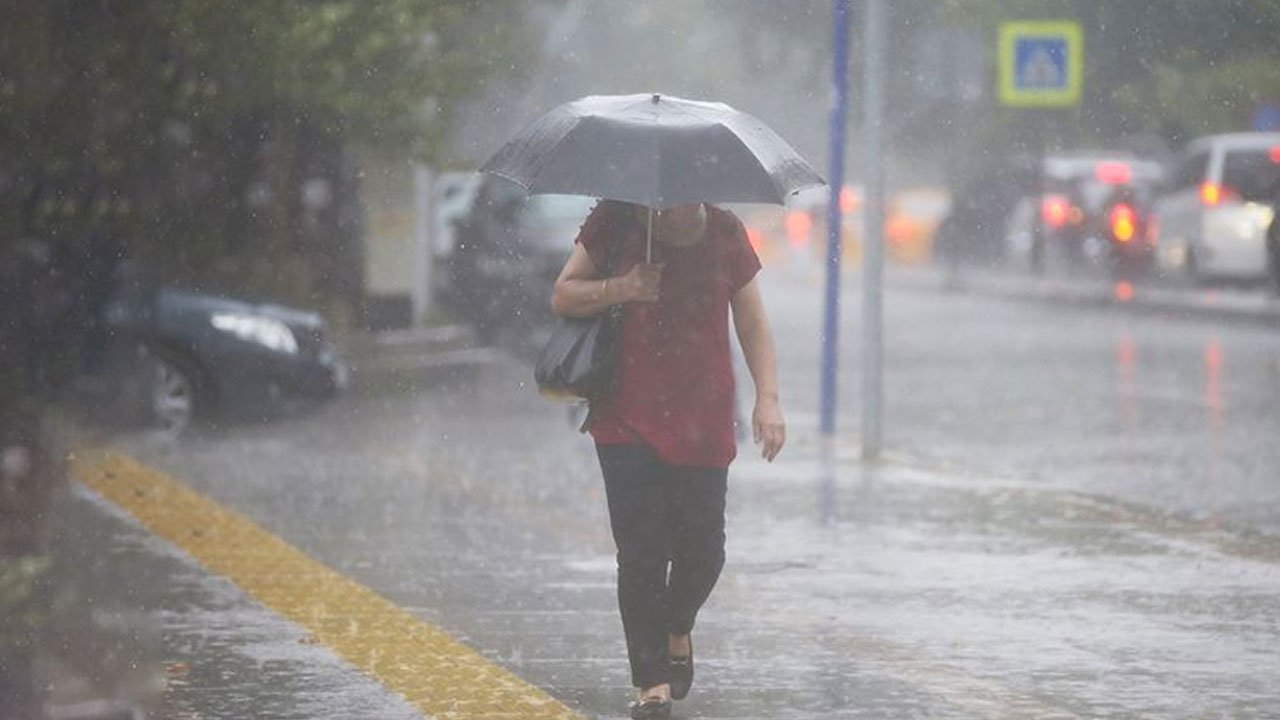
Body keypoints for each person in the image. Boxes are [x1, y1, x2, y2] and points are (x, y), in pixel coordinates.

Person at [551, 199, 785, 720]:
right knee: (641, 554)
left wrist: (767, 397)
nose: (679, 197)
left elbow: (751, 321)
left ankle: (677, 625)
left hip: (703, 415)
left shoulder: (725, 231)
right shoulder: (616, 220)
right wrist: (624, 287)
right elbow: (564, 294)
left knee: (705, 551)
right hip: (626, 415)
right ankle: (650, 683)